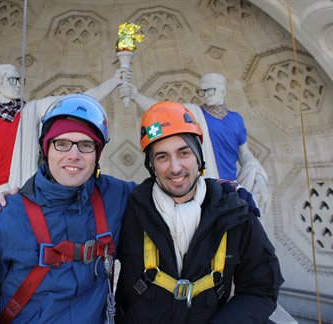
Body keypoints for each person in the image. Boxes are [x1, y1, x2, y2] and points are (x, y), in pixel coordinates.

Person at [0, 94, 137, 323]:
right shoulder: (7, 214)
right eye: (62, 144)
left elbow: (168, 192)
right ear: (46, 150)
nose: (73, 155)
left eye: (86, 145)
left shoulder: (118, 197)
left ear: (97, 154)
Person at [114, 101, 283, 323]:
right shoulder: (127, 209)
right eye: (162, 156)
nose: (175, 168)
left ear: (198, 157)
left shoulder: (234, 212)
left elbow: (260, 288)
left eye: (184, 153)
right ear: (151, 165)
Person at [0, 64, 125, 218]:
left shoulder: (32, 109)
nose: (18, 85)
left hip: (31, 192)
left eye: (20, 80)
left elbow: (77, 100)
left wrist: (114, 81)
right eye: (12, 80)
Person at [126, 73, 270, 213]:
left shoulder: (236, 119)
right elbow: (163, 110)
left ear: (223, 91)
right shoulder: (194, 114)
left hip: (231, 190)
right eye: (203, 91)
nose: (206, 94)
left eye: (210, 90)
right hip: (205, 190)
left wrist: (257, 172)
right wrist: (136, 96)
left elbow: (244, 154)